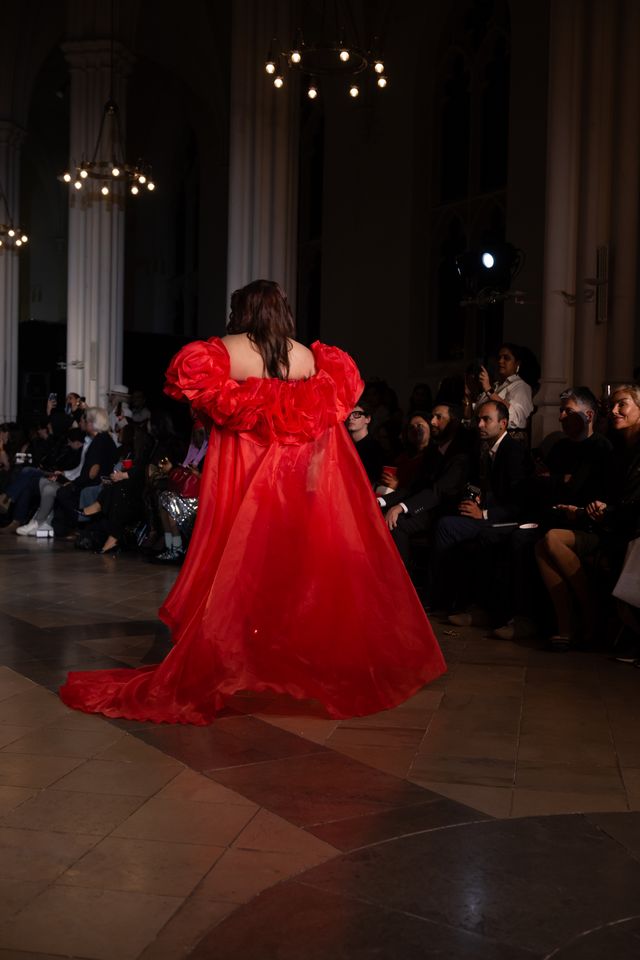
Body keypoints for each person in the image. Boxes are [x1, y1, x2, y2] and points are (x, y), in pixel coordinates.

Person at [60, 279, 446, 724]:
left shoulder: (224, 353)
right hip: (298, 493)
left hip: (241, 491)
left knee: (237, 575)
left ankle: (236, 662)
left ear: (240, 310)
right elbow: (324, 432)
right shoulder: (311, 359)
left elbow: (198, 403)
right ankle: (286, 662)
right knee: (294, 577)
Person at [535, 383, 640, 650]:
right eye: (612, 406)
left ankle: (588, 617)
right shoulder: (616, 446)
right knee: (541, 544)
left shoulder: (607, 447)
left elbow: (623, 503)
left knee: (551, 540)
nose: (614, 411)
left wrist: (586, 512)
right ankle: (568, 628)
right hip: (602, 522)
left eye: (622, 405)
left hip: (618, 529)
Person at [474, 342, 536, 437]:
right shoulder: (495, 385)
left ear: (517, 364)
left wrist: (489, 391)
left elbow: (516, 419)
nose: (500, 361)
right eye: (499, 358)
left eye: (506, 358)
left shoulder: (521, 386)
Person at [345, 400, 386, 486]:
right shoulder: (344, 446)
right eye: (348, 414)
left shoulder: (374, 448)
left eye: (356, 414)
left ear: (367, 419)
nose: (350, 418)